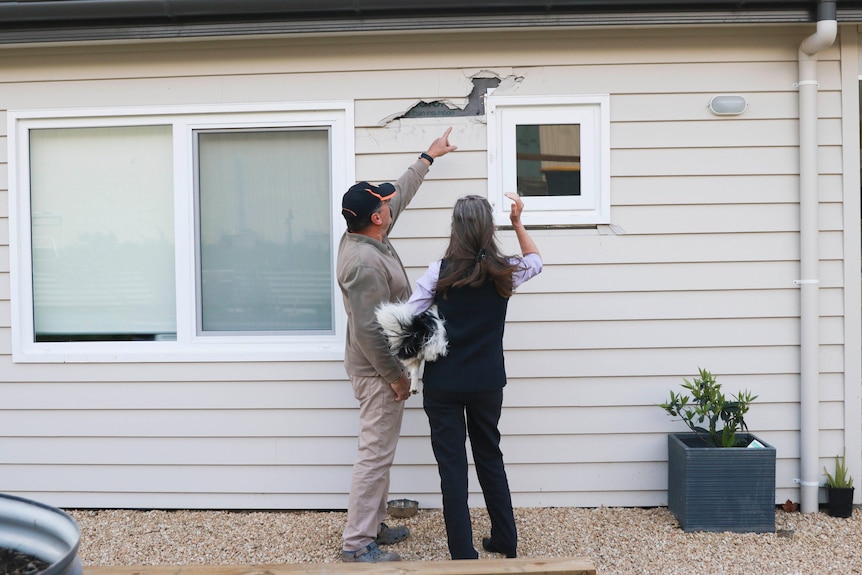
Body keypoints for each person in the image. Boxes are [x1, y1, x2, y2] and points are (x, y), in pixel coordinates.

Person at [337, 128, 457, 563]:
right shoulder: (365, 262)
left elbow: (399, 194)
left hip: (380, 366)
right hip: (377, 371)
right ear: (375, 218)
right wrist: (396, 378)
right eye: (384, 204)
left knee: (381, 450)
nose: (390, 204)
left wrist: (429, 156)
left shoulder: (367, 235)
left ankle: (372, 524)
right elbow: (369, 331)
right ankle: (357, 545)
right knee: (374, 454)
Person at [404, 192, 542, 560]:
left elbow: (407, 315)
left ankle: (463, 552)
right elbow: (536, 260)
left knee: (452, 469)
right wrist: (518, 223)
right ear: (488, 228)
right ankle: (505, 540)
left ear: (456, 228)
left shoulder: (439, 272)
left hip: (443, 383)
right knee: (490, 458)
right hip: (487, 382)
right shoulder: (505, 270)